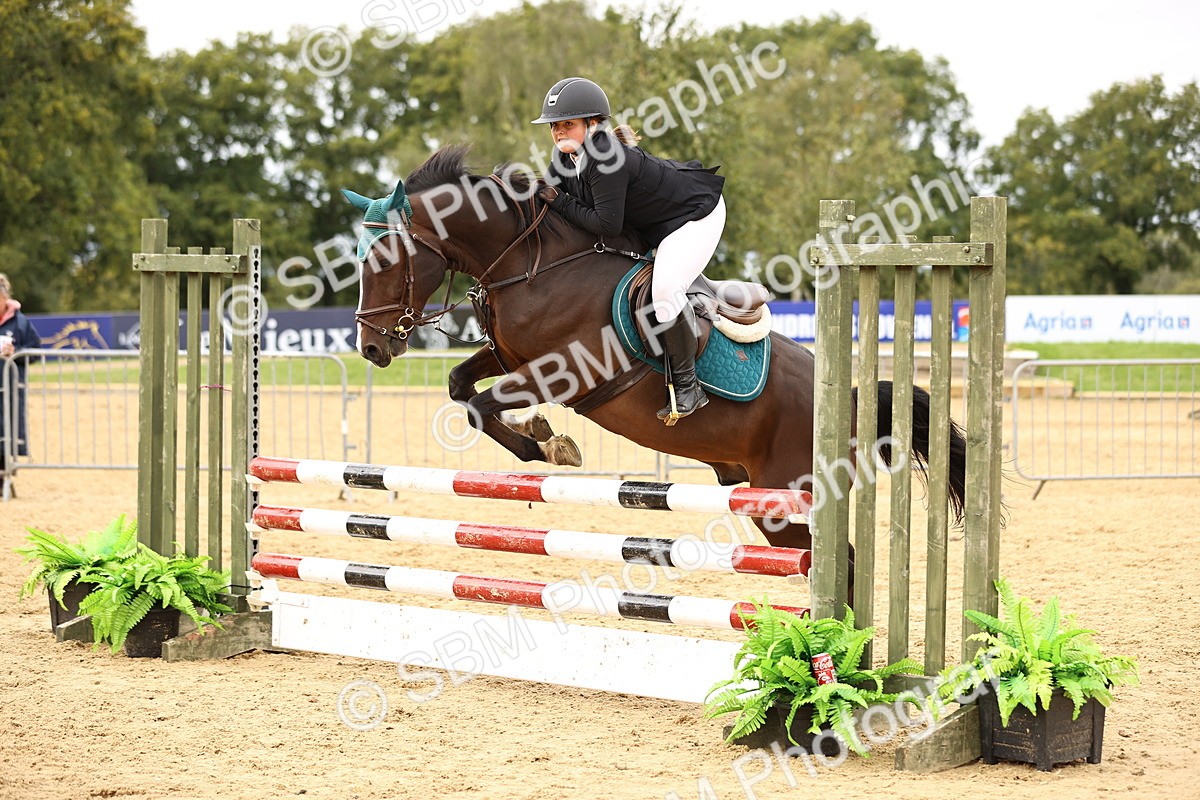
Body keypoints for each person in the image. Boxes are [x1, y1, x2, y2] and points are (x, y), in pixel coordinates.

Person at [532, 77, 726, 423]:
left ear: (593, 124)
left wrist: (560, 201)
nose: (559, 132)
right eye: (555, 126)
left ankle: (688, 387)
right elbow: (549, 199)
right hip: (654, 224)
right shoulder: (566, 158)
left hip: (696, 216)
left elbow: (607, 226)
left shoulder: (607, 158)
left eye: (567, 124)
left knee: (666, 290)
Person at [0, 273, 41, 496]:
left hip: (10, 389)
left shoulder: (21, 323)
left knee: (7, 430)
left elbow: (35, 351)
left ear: (5, 298)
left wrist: (16, 353)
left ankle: (5, 475)